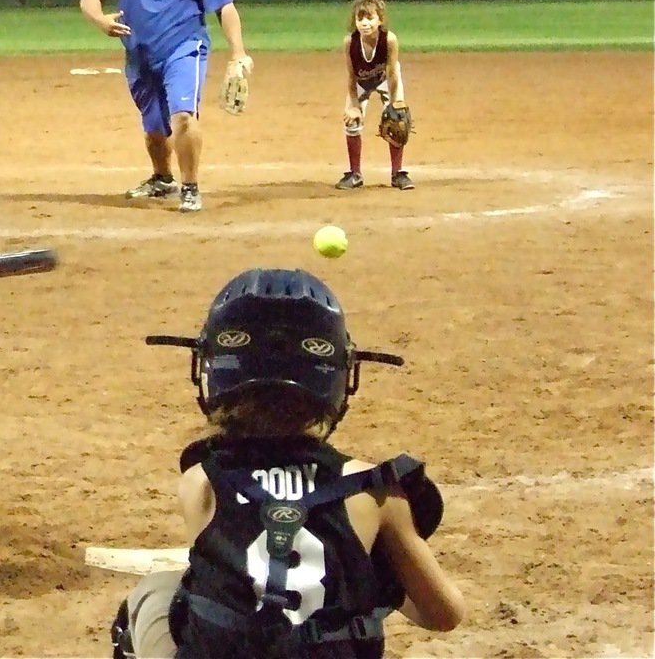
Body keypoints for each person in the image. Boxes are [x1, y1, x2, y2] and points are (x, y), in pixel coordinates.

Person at [111, 267, 465, 658]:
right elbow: (444, 614)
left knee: (159, 591)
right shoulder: (373, 488)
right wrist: (378, 578)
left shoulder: (201, 482)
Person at [79, 0, 252, 213]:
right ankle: (162, 178)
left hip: (184, 49)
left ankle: (190, 187)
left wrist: (238, 52)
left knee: (184, 116)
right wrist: (99, 20)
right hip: (140, 57)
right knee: (155, 130)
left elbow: (225, 8)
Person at [336, 0, 413, 190]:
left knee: (397, 121)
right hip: (361, 81)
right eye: (359, 18)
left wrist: (395, 103)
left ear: (380, 20)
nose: (364, 23)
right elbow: (352, 76)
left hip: (386, 79)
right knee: (351, 121)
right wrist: (354, 106)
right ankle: (355, 174)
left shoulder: (389, 40)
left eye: (370, 18)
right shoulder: (350, 43)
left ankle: (398, 174)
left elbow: (392, 73)